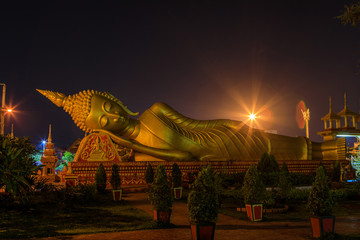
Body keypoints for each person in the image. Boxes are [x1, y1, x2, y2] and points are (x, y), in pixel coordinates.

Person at [37, 89, 342, 161]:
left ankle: (328, 151)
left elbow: (196, 123)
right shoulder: (141, 152)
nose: (114, 116)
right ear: (101, 130)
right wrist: (130, 143)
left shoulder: (154, 111)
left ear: (112, 99)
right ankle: (327, 152)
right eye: (105, 122)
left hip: (221, 136)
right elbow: (184, 158)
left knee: (279, 147)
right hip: (211, 156)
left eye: (108, 108)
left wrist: (238, 127)